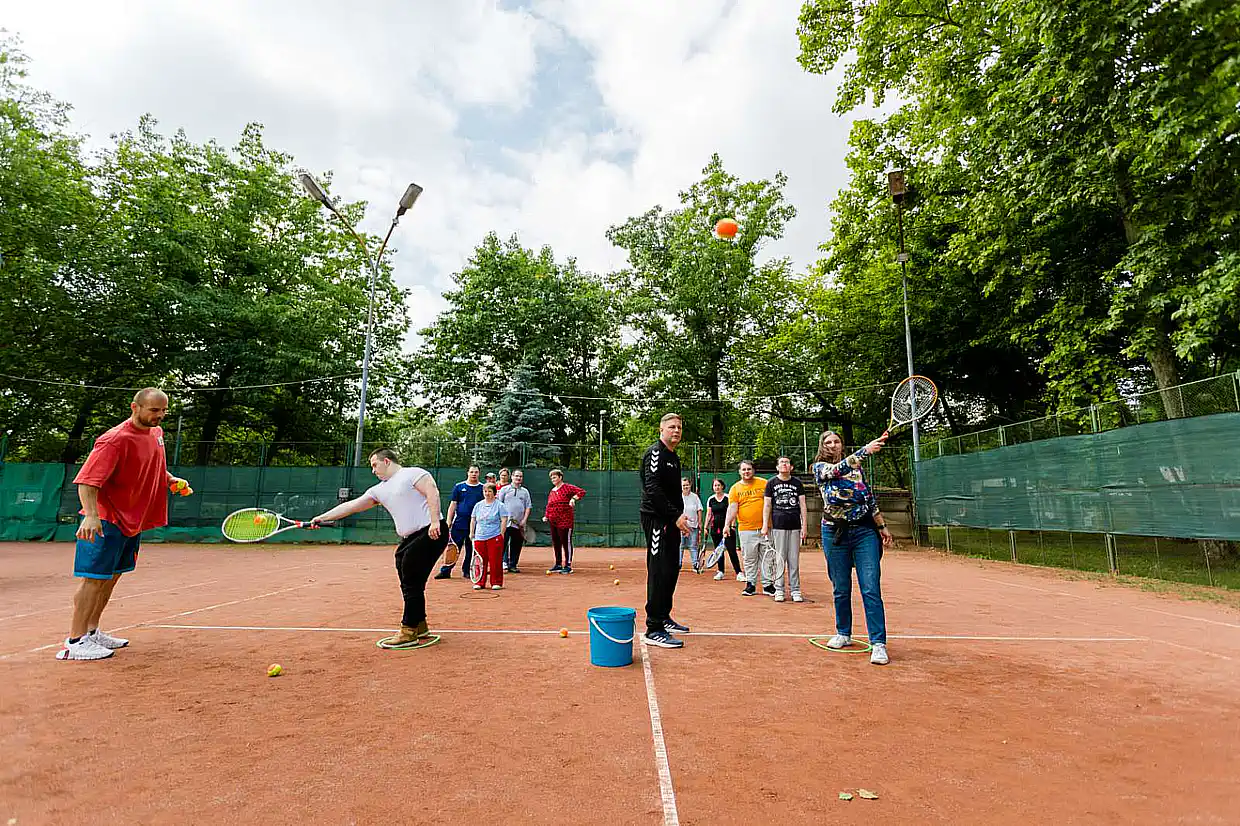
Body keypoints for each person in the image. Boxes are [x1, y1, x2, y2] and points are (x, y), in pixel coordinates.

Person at [57, 388, 188, 660]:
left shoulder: (156, 434)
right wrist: (92, 516)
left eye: (163, 411)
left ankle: (92, 632)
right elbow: (87, 481)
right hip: (106, 520)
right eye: (154, 410)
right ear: (135, 407)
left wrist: (170, 479)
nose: (160, 416)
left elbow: (150, 466)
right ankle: (75, 641)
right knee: (94, 580)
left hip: (132, 520)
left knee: (111, 577)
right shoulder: (114, 440)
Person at [312, 448, 449, 647]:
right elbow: (351, 506)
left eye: (374, 465)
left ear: (386, 461)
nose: (373, 470)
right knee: (405, 568)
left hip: (431, 531)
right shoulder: (379, 490)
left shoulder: (412, 473)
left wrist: (435, 521)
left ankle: (408, 630)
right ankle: (419, 624)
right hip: (410, 538)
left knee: (410, 575)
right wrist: (322, 517)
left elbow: (432, 491)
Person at [812, 430, 894, 665]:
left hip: (864, 532)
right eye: (828, 442)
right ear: (822, 446)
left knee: (870, 587)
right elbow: (835, 471)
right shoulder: (819, 468)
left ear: (841, 444)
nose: (832, 445)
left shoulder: (857, 469)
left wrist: (882, 526)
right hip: (834, 533)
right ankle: (843, 633)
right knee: (841, 587)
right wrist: (865, 450)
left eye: (836, 441)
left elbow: (868, 499)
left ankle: (878, 644)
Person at [640, 413, 690, 648]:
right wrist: (674, 516)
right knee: (659, 569)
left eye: (679, 427)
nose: (676, 431)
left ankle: (664, 616)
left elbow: (673, 493)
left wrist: (680, 517)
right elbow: (652, 489)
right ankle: (654, 627)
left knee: (671, 568)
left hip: (671, 521)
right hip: (656, 520)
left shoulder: (673, 456)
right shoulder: (655, 453)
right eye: (672, 427)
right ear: (661, 430)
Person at [722, 460, 773, 597]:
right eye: (743, 470)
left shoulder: (764, 483)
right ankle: (751, 584)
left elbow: (771, 503)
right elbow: (732, 508)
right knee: (749, 558)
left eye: (749, 469)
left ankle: (768, 585)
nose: (746, 472)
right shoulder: (735, 489)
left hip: (766, 529)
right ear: (739, 472)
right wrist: (727, 525)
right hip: (746, 530)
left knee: (768, 558)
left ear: (753, 470)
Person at [762, 456, 808, 603]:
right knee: (780, 558)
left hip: (795, 525)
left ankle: (795, 590)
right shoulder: (771, 483)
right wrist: (765, 525)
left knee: (794, 559)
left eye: (787, 462)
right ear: (777, 467)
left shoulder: (797, 483)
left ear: (791, 467)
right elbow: (767, 506)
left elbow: (802, 505)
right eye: (781, 462)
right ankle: (779, 589)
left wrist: (804, 526)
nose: (784, 465)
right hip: (778, 525)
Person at [435, 465, 484, 579]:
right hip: (459, 523)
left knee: (471, 549)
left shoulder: (482, 488)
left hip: (475, 524)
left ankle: (467, 571)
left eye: (476, 472)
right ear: (468, 473)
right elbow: (453, 504)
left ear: (479, 473)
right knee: (453, 547)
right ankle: (446, 571)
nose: (474, 474)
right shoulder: (459, 487)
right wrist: (449, 520)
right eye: (471, 472)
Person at [543, 469, 585, 573]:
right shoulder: (552, 491)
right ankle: (558, 564)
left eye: (554, 477)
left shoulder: (567, 487)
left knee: (566, 542)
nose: (552, 479)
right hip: (553, 521)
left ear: (560, 477)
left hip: (565, 520)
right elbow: (549, 505)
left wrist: (573, 499)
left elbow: (581, 492)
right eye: (551, 478)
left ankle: (568, 565)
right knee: (556, 542)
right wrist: (546, 516)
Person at [470, 482, 507, 590]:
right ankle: (479, 582)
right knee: (480, 561)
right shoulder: (478, 505)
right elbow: (473, 519)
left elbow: (504, 519)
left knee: (495, 560)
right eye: (485, 491)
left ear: (494, 493)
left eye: (489, 491)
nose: (487, 493)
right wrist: (472, 533)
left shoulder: (500, 505)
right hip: (479, 537)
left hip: (494, 536)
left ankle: (496, 582)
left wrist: (501, 534)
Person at [704, 478, 742, 582]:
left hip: (728, 528)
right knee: (718, 551)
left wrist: (733, 526)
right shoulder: (711, 499)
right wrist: (705, 527)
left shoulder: (728, 498)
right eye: (715, 485)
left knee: (732, 551)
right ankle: (720, 571)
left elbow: (733, 512)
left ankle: (739, 572)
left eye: (718, 485)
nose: (717, 487)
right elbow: (709, 514)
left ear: (722, 486)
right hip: (715, 529)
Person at [498, 469, 532, 573]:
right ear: (512, 477)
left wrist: (524, 520)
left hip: (519, 524)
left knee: (516, 545)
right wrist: (501, 519)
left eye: (520, 476)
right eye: (516, 476)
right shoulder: (505, 490)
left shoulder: (525, 491)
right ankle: (501, 564)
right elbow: (499, 504)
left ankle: (513, 565)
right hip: (505, 523)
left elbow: (528, 507)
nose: (518, 478)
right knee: (502, 544)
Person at [680, 477, 704, 572]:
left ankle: (695, 565)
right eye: (683, 485)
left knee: (693, 546)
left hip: (693, 526)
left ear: (690, 485)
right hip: (681, 526)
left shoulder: (695, 497)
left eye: (687, 485)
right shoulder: (678, 497)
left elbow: (699, 509)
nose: (685, 487)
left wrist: (699, 522)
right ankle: (678, 564)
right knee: (680, 546)